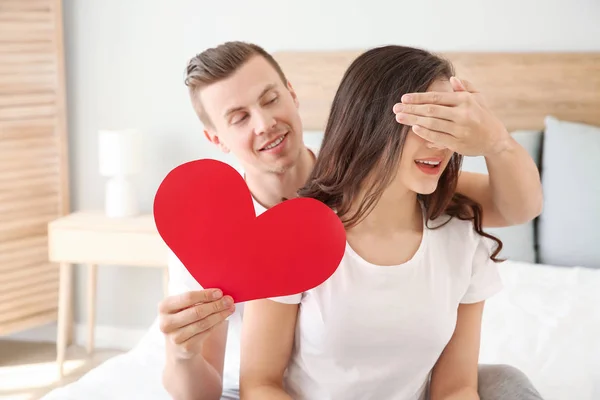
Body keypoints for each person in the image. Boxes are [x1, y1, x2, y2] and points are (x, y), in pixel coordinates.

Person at [158, 41, 544, 400]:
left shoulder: (422, 191)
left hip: (400, 378)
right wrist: (181, 354)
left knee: (505, 383)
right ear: (216, 138)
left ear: (292, 94)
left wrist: (497, 141)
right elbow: (240, 384)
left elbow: (519, 207)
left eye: (271, 99)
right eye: (239, 117)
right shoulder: (223, 234)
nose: (264, 124)